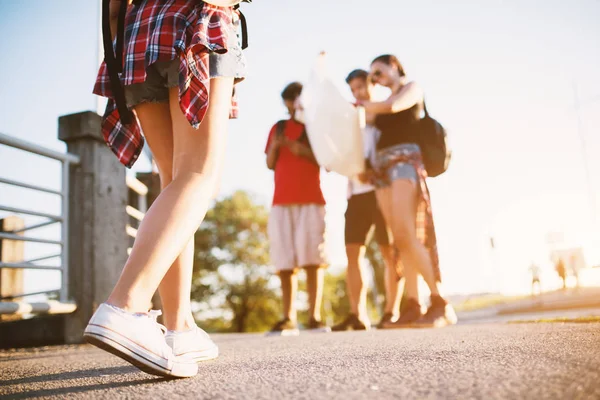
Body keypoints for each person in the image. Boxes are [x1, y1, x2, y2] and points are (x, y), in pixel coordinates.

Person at [83, 0, 248, 378]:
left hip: (136, 34)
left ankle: (180, 327)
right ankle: (127, 306)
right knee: (198, 175)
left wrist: (116, 55)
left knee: (174, 181)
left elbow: (112, 6)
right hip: (196, 20)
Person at [359, 54, 457, 328]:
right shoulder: (376, 104)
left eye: (378, 72)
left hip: (405, 162)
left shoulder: (412, 88)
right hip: (381, 169)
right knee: (399, 240)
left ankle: (441, 302)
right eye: (372, 77)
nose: (376, 79)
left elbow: (392, 107)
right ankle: (413, 305)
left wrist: (363, 103)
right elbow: (361, 123)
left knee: (405, 231)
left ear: (394, 65)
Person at [332, 69, 404, 331]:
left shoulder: (384, 118)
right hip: (356, 196)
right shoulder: (349, 120)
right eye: (352, 90)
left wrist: (376, 170)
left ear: (372, 86)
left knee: (389, 252)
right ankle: (357, 314)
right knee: (353, 253)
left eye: (361, 87)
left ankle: (391, 312)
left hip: (382, 192)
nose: (357, 93)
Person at [265, 82, 330, 336]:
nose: (293, 104)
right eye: (289, 99)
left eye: (297, 98)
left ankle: (314, 316)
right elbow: (270, 163)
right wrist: (276, 146)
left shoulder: (314, 128)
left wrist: (298, 148)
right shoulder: (277, 128)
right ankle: (288, 317)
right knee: (285, 261)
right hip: (281, 200)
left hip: (311, 198)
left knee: (313, 258)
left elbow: (325, 161)